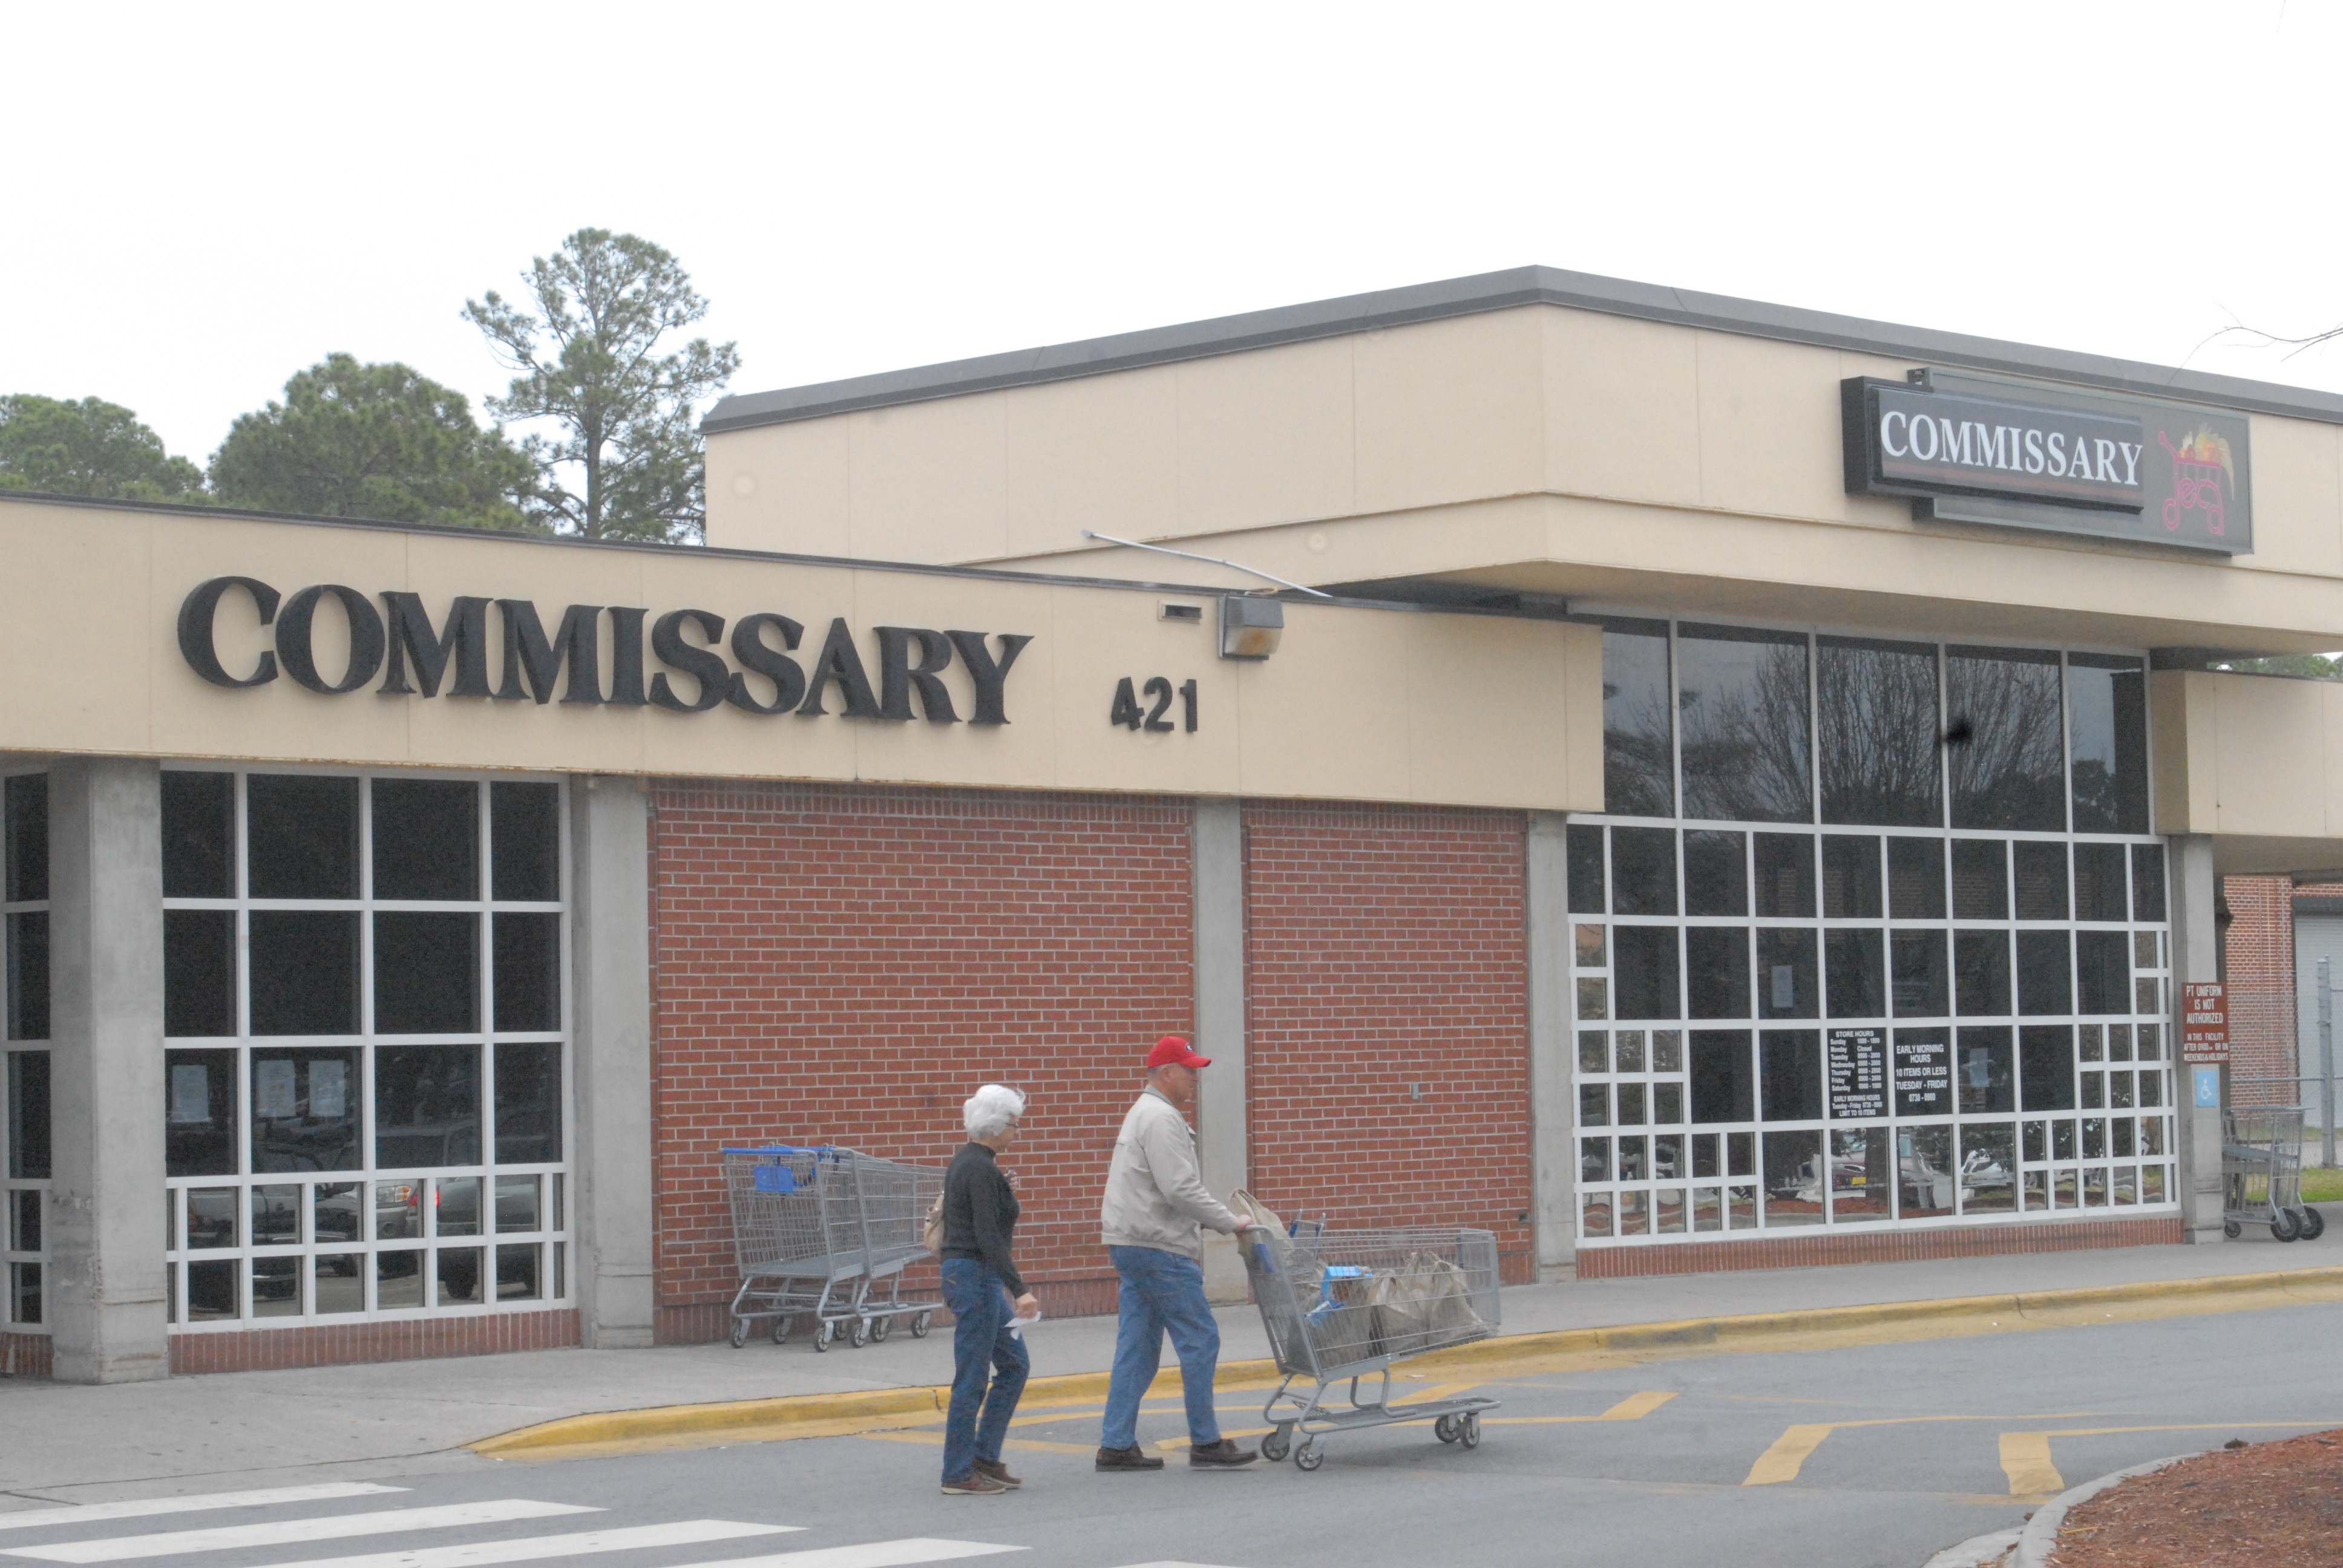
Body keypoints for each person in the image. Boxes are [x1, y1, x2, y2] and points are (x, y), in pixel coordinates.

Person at [1095, 1035, 1259, 1471]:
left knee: (1138, 1346)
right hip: (1159, 1245)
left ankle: (1116, 1442)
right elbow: (1180, 1188)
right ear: (1165, 1073)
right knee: (1200, 1338)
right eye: (1188, 1070)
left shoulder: (1142, 1113)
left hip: (1131, 1242)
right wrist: (1231, 1221)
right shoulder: (1161, 1118)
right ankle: (1205, 1441)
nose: (1195, 1078)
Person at [939, 1083, 1037, 1496]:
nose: (1018, 1132)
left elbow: (983, 1216)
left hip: (974, 1277)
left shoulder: (974, 1163)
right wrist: (1020, 1289)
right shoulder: (980, 1168)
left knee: (1014, 1365)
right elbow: (987, 1235)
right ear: (997, 1127)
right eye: (1015, 1125)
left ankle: (982, 1456)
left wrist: (1002, 1187)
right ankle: (958, 1473)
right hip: (976, 1278)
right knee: (973, 1378)